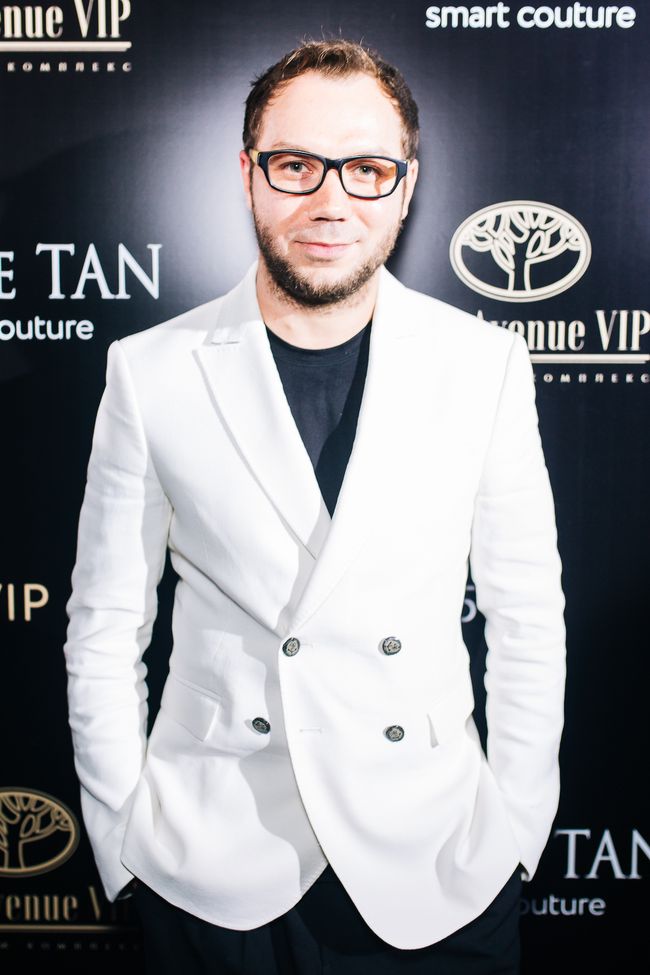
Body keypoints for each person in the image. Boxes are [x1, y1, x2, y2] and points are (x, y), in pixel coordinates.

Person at [63, 38, 566, 974]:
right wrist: (123, 839)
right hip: (211, 865)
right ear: (248, 175)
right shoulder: (151, 370)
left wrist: (517, 830)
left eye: (367, 169)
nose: (331, 201)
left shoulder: (482, 365)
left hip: (438, 862)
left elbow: (527, 615)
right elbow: (103, 623)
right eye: (296, 165)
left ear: (406, 188)